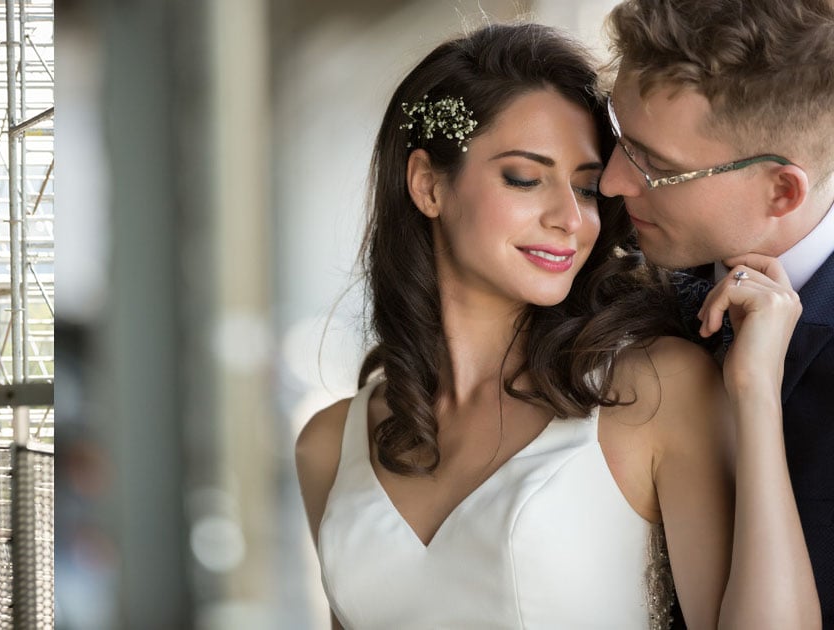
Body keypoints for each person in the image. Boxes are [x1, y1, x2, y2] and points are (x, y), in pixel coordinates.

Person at [294, 22, 819, 629]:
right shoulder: (329, 445)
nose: (571, 219)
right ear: (428, 184)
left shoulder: (653, 392)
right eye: (524, 177)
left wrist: (754, 393)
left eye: (590, 189)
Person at [600, 0, 834, 623]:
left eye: (656, 166)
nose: (612, 183)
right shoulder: (592, 272)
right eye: (619, 136)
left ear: (781, 191)